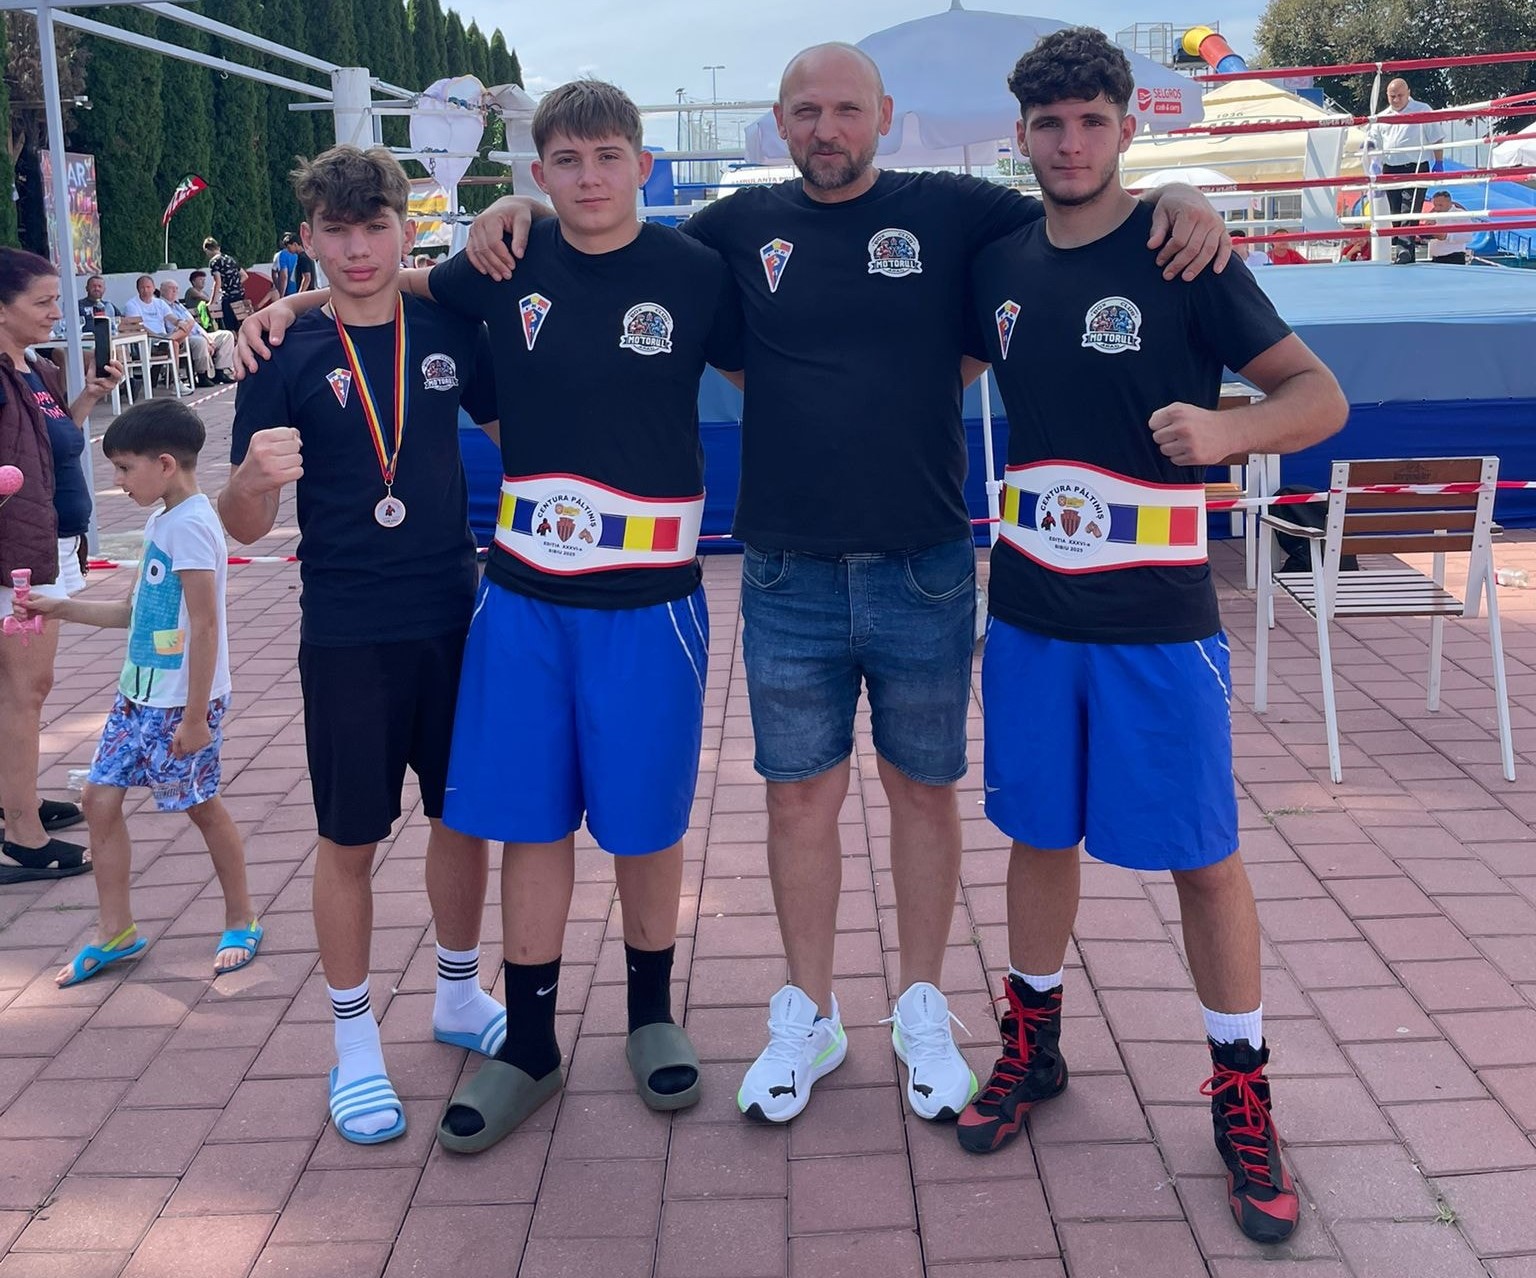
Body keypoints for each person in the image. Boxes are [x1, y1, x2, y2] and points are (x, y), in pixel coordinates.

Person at [463, 43, 1230, 1129]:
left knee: (922, 791)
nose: (827, 129)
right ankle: (810, 1013)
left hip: (923, 560)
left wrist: (1179, 193)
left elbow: (1083, 205)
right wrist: (520, 212)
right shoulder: (734, 227)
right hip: (787, 566)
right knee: (799, 799)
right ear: (780, 122)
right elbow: (613, 236)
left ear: (885, 115)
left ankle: (920, 1007)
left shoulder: (956, 210)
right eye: (807, 111)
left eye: (847, 110)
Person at [239, 80, 744, 1154]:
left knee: (646, 821)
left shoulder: (699, 269)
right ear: (538, 172)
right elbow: (388, 280)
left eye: (608, 156)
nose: (589, 178)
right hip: (520, 595)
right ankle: (530, 1044)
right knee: (526, 819)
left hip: (650, 596)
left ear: (643, 163)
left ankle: (650, 1015)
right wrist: (292, 307)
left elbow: (779, 372)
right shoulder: (505, 260)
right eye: (566, 160)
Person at [956, 28, 1347, 1245]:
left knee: (1201, 854)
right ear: (1022, 135)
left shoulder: (1185, 251)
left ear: (1128, 126)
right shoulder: (998, 260)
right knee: (1038, 835)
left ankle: (1242, 1088)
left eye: (1092, 121)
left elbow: (1318, 395)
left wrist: (1230, 433)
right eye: (1049, 124)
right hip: (1031, 609)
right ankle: (1034, 1042)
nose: (1070, 144)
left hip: (1157, 619)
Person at [219, 143, 505, 1147]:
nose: (356, 250)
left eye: (374, 226)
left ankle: (459, 994)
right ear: (309, 238)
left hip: (455, 612)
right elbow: (244, 523)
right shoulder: (281, 354)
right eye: (335, 231)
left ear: (402, 228)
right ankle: (353, 1043)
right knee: (349, 839)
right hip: (345, 629)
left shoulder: (450, 328)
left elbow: (515, 435)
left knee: (463, 819)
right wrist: (248, 480)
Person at [14, 398, 261, 985]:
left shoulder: (192, 526)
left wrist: (195, 716)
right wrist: (60, 608)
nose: (119, 482)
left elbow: (205, 625)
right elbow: (135, 613)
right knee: (99, 799)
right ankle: (116, 930)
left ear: (165, 464)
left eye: (125, 468)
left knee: (201, 807)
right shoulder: (163, 522)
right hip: (136, 698)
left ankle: (241, 917)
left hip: (181, 703)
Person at [0, 248, 124, 882]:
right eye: (43, 302)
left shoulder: (37, 369)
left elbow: (56, 444)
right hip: (15, 558)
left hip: (50, 543)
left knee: (24, 689)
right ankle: (22, 835)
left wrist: (87, 400)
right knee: (24, 690)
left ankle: (15, 799)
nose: (58, 312)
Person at [1364, 78, 1445, 263]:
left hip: (1415, 166)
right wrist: (1373, 161)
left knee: (1409, 210)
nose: (1396, 100)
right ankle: (1404, 251)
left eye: (1400, 95)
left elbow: (1436, 138)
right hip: (1390, 168)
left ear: (1408, 93)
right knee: (1395, 213)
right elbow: (1372, 142)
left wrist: (1438, 162)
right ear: (1387, 96)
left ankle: (1404, 252)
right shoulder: (1382, 117)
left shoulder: (1422, 110)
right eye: (1392, 96)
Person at [123, 274, 202, 391]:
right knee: (174, 344)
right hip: (147, 340)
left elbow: (170, 317)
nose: (146, 290)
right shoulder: (132, 305)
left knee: (189, 322)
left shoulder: (159, 303)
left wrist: (179, 322)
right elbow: (139, 328)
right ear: (138, 289)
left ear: (154, 288)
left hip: (164, 338)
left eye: (148, 287)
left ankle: (168, 342)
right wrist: (156, 336)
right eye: (142, 288)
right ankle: (176, 382)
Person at [160, 279, 237, 384]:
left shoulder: (179, 305)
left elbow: (195, 325)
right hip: (183, 338)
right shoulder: (162, 307)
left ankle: (220, 372)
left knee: (226, 335)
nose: (175, 291)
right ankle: (202, 375)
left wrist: (208, 338)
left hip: (197, 334)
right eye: (171, 288)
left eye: (176, 288)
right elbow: (174, 329)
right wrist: (205, 340)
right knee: (200, 341)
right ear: (162, 291)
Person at [203, 236, 249, 331]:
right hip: (240, 295)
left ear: (207, 250)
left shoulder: (214, 261)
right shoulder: (230, 259)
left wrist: (211, 302)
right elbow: (244, 276)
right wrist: (234, 285)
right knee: (239, 325)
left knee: (230, 326)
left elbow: (217, 282)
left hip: (228, 297)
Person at [1424, 189, 1473, 264]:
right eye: (1435, 205)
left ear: (1449, 203)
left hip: (1454, 257)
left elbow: (1468, 236)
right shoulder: (1434, 215)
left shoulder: (1460, 214)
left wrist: (1447, 236)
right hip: (1436, 258)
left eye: (1440, 205)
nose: (1437, 208)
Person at [272, 233, 299, 297]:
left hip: (288, 292)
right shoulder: (300, 253)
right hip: (302, 290)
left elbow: (283, 276)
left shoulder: (280, 255)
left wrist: (280, 292)